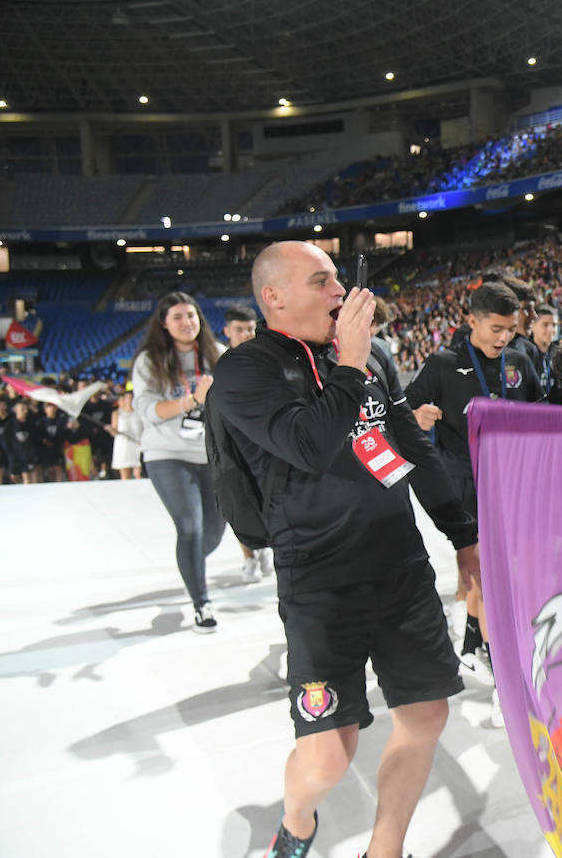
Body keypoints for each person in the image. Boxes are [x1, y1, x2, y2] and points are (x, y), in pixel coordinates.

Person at [211, 241, 480, 858]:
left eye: (339, 280)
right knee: (331, 754)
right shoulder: (244, 370)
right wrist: (351, 365)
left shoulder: (372, 357)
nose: (341, 293)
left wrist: (463, 536)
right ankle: (297, 821)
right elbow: (309, 445)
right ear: (274, 296)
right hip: (319, 582)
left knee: (426, 714)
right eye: (322, 281)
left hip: (400, 567)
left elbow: (411, 447)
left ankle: (383, 851)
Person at [403, 281, 543, 724]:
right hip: (467, 486)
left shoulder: (521, 360)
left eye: (511, 329)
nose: (504, 338)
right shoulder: (444, 365)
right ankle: (505, 681)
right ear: (471, 322)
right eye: (496, 328)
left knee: (509, 583)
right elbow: (402, 413)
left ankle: (475, 644)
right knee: (491, 581)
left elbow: (545, 413)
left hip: (518, 486)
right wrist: (417, 416)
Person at [132, 291, 226, 632]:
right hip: (167, 454)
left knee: (213, 535)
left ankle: (190, 566)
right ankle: (202, 602)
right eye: (178, 317)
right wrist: (192, 401)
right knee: (190, 528)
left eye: (191, 315)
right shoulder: (149, 361)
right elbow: (147, 412)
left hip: (212, 455)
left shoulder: (219, 357)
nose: (187, 322)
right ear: (164, 324)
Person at [221, 303, 271, 583]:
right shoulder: (220, 365)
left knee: (267, 501)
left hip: (264, 444)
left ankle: (264, 549)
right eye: (239, 330)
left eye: (250, 329)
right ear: (227, 331)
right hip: (234, 446)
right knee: (239, 504)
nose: (246, 335)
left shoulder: (268, 361)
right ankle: (249, 557)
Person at [107, 390, 143, 480]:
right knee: (125, 475)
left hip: (137, 444)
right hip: (123, 445)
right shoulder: (117, 413)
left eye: (131, 398)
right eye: (127, 398)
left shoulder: (139, 413)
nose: (129, 400)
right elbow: (114, 431)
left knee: (138, 473)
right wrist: (111, 430)